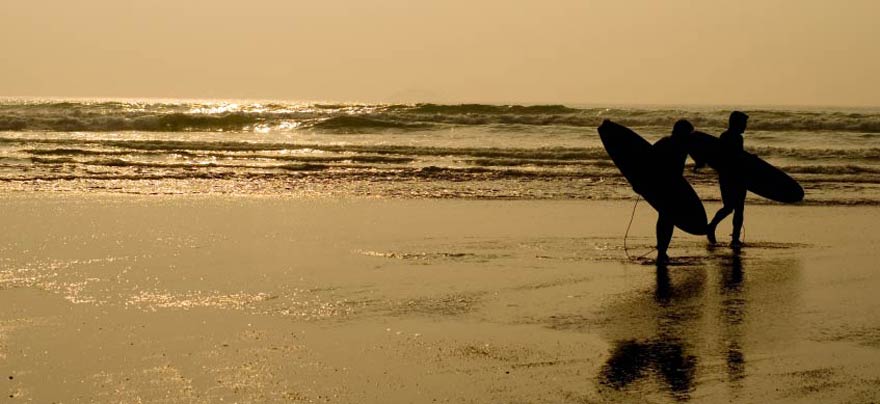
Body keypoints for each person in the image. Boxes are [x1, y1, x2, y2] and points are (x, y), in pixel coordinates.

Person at [652, 119, 696, 264]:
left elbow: (647, 158)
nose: (690, 135)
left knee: (665, 217)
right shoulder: (670, 143)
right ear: (681, 132)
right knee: (667, 218)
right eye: (688, 133)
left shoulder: (679, 144)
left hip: (668, 185)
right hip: (667, 185)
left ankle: (662, 250)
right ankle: (662, 252)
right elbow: (648, 159)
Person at [707, 111, 749, 247]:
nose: (745, 126)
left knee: (730, 208)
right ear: (737, 123)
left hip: (727, 177)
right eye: (744, 123)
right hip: (734, 177)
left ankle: (715, 228)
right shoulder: (735, 138)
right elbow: (736, 157)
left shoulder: (725, 136)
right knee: (735, 208)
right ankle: (733, 238)